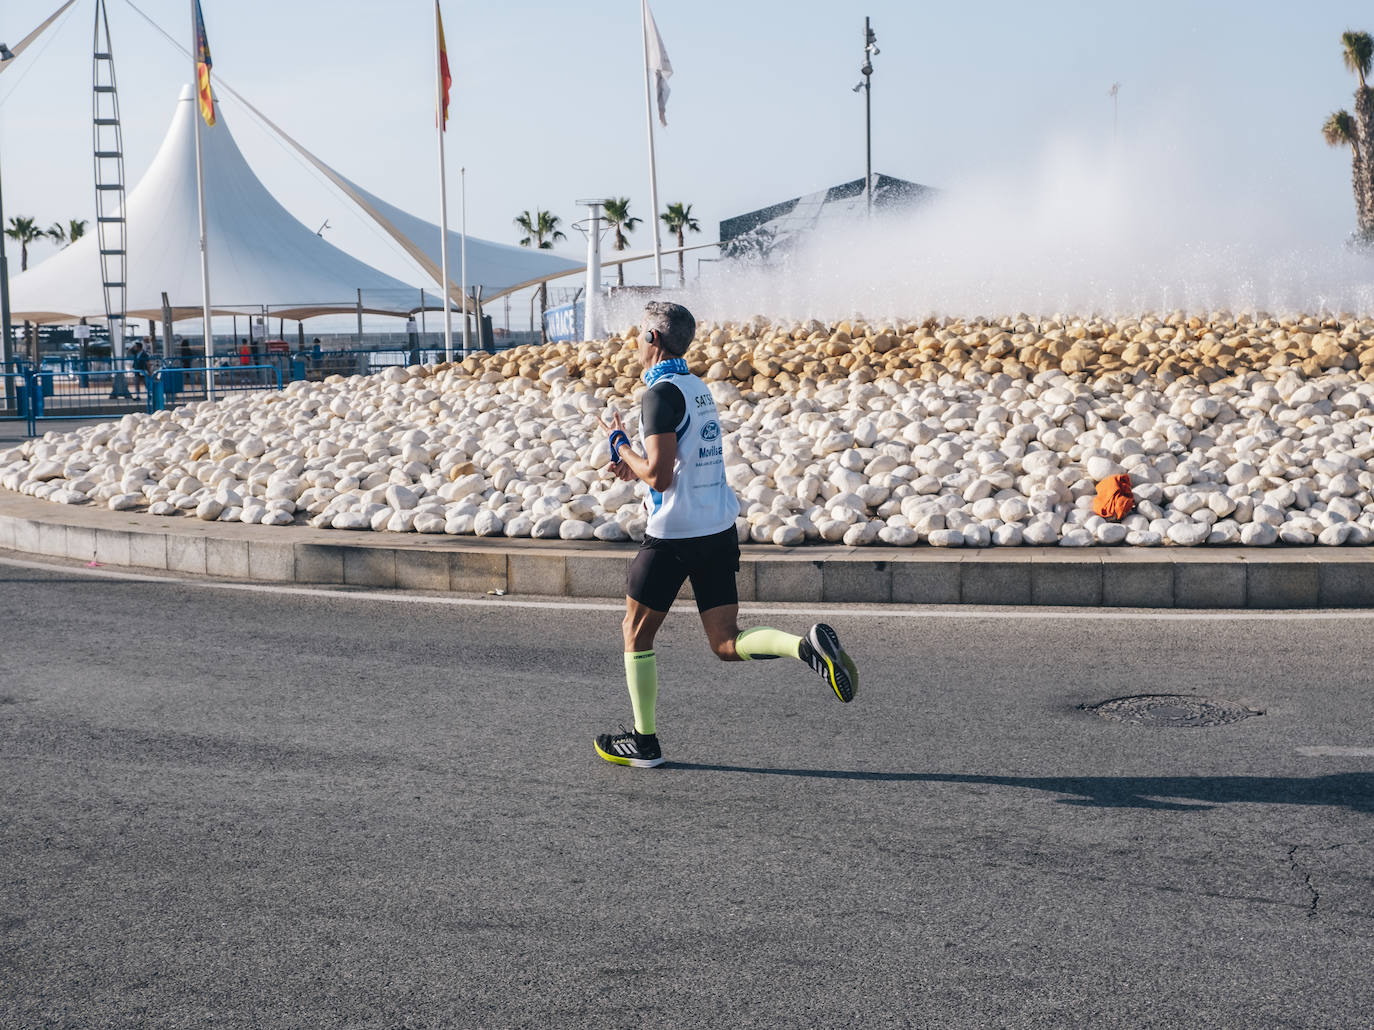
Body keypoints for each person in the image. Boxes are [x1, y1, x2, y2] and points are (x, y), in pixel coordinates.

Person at [593, 302, 858, 769]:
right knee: (725, 642)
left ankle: (644, 742)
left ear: (653, 339)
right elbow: (677, 460)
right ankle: (805, 647)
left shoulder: (658, 394)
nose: (634, 342)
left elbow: (659, 477)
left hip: (673, 536)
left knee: (635, 634)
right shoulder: (696, 387)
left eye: (638, 334)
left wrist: (620, 446)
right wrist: (634, 465)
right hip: (717, 527)